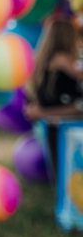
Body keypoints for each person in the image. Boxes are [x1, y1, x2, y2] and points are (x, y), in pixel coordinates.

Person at [27, 18, 83, 173]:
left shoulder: (42, 63)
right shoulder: (63, 59)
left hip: (53, 125)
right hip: (65, 125)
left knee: (61, 169)